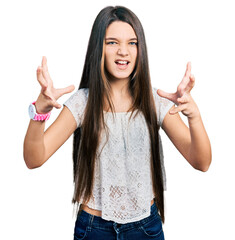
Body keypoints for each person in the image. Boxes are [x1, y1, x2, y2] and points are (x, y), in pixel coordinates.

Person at [23, 5, 211, 240]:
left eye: (132, 43)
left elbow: (201, 162)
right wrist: (39, 112)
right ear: (97, 48)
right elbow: (34, 159)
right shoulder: (83, 102)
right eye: (112, 42)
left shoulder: (154, 101)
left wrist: (194, 116)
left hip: (146, 228)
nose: (123, 51)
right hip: (94, 229)